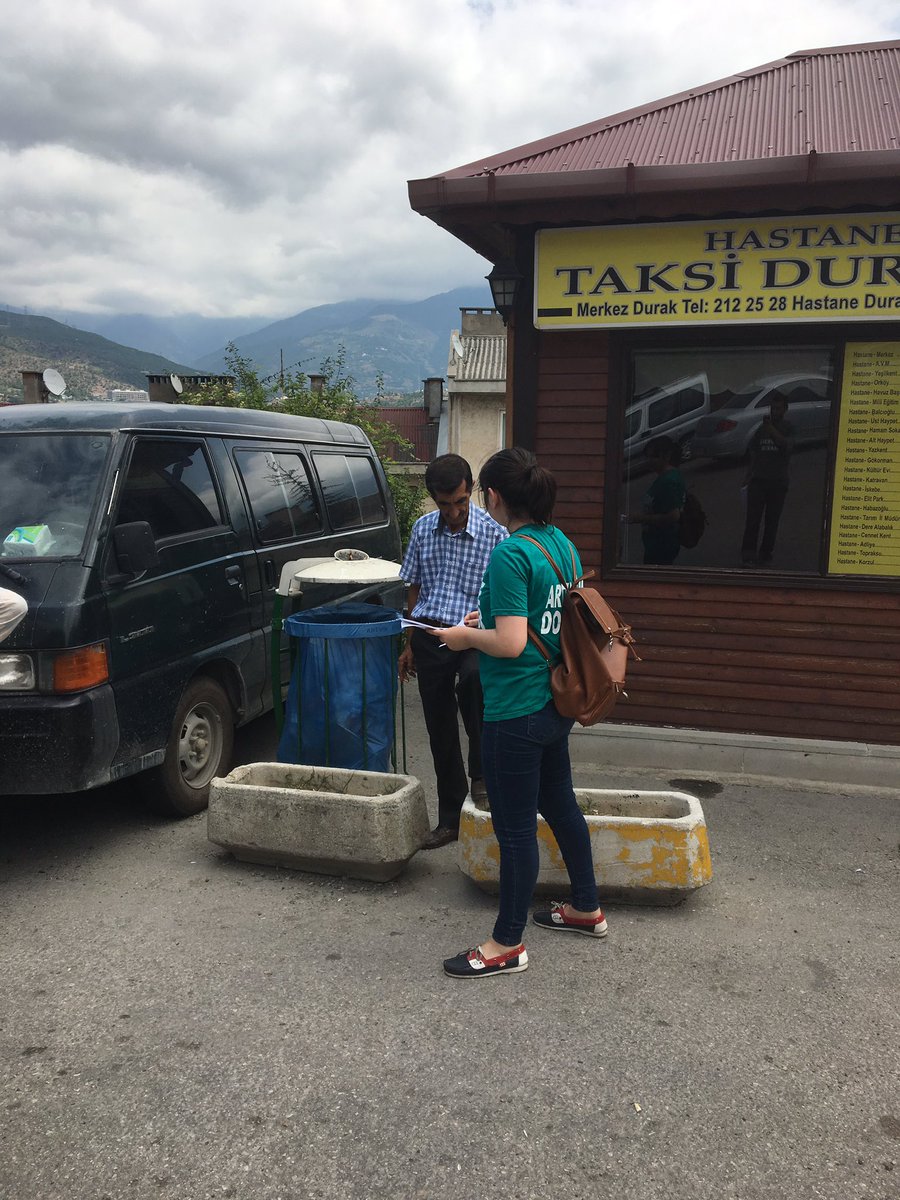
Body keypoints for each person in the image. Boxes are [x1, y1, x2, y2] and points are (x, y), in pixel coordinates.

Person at [433, 448, 607, 980]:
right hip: (553, 705)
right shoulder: (561, 545)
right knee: (561, 807)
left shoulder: (510, 553)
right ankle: (585, 907)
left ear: (495, 497)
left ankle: (505, 944)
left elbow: (508, 644)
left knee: (514, 833)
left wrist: (463, 636)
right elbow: (538, 619)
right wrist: (481, 615)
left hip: (514, 711)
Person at [399, 453, 507, 849]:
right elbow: (413, 587)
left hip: (475, 633)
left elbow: (504, 592)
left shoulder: (496, 534)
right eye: (445, 505)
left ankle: (482, 778)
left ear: (472, 491)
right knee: (438, 726)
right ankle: (449, 819)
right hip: (430, 633)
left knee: (476, 686)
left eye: (460, 502)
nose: (454, 512)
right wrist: (410, 642)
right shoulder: (423, 529)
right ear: (433, 499)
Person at [741, 395, 794, 566]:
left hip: (777, 482)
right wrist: (749, 474)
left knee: (772, 520)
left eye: (778, 408)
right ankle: (748, 553)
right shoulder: (761, 429)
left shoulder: (788, 428)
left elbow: (786, 447)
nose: (774, 412)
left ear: (785, 410)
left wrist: (771, 429)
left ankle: (766, 553)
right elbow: (754, 452)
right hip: (758, 480)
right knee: (752, 519)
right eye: (772, 408)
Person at [628, 436, 686, 565]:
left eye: (652, 457)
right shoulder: (666, 478)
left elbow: (673, 515)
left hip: (662, 543)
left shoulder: (669, 482)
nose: (648, 461)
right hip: (657, 543)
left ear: (666, 456)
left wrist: (640, 518)